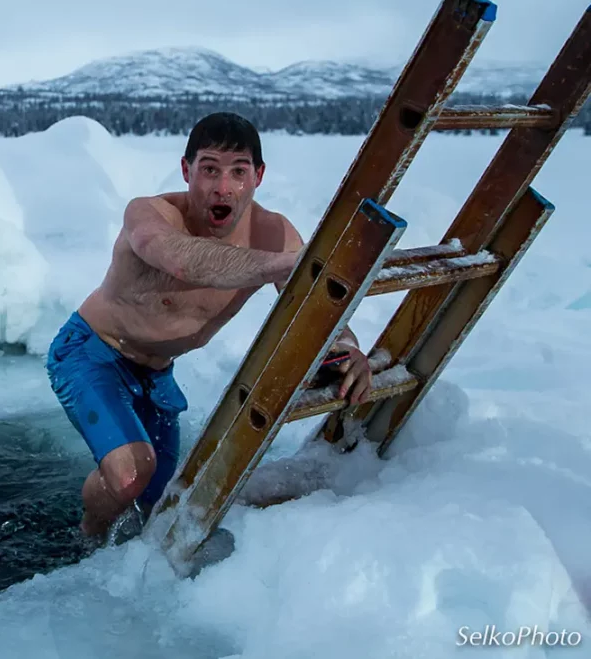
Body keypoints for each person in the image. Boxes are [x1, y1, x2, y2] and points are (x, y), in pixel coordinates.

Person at [45, 111, 373, 540]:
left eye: (238, 172)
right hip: (91, 351)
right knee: (130, 476)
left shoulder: (274, 234)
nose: (223, 187)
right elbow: (182, 259)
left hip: (157, 372)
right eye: (209, 170)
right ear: (186, 170)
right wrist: (292, 265)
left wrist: (348, 350)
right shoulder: (150, 214)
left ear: (258, 176)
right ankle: (88, 540)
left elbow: (320, 307)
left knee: (158, 504)